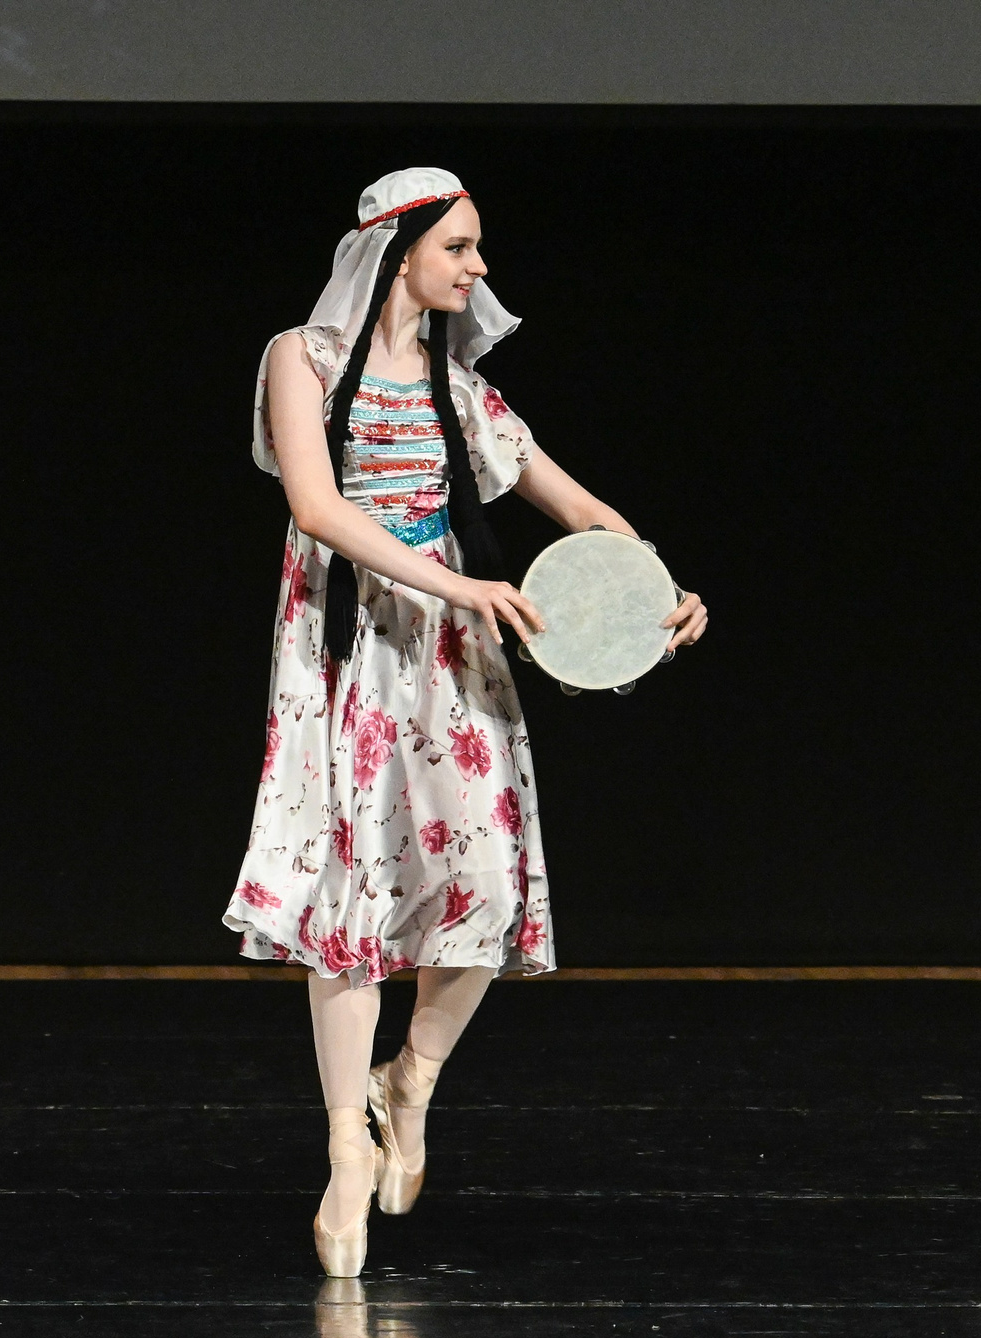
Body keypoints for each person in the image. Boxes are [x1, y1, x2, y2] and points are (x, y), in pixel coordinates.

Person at [226, 168, 708, 1275]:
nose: (478, 266)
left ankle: (414, 1078)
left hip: (450, 653)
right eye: (461, 248)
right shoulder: (300, 358)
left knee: (486, 882)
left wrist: (656, 585)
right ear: (400, 252)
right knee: (355, 892)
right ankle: (346, 1145)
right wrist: (459, 587)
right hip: (347, 646)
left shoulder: (461, 388)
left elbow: (576, 504)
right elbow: (317, 506)